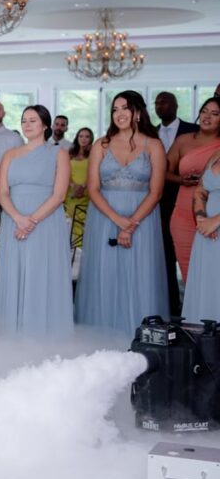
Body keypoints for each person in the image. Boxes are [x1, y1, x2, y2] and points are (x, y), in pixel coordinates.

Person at [75, 91, 168, 335]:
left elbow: (156, 192)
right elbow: (93, 189)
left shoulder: (154, 145)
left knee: (139, 276)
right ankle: (101, 335)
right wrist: (118, 221)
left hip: (143, 220)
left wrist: (131, 225)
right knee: (105, 275)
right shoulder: (101, 145)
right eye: (115, 109)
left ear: (137, 112)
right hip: (104, 218)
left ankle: (139, 335)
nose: (119, 114)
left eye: (125, 108)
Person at [0, 105, 73, 336]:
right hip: (13, 218)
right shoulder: (10, 155)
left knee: (41, 271)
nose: (27, 125)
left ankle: (42, 329)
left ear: (45, 125)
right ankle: (13, 329)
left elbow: (59, 195)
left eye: (32, 120)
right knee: (15, 272)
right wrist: (19, 218)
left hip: (45, 221)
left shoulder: (58, 153)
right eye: (24, 120)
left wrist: (31, 221)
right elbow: (2, 193)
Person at [165, 97, 220, 282]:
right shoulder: (183, 140)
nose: (207, 117)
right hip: (182, 215)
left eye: (215, 114)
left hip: (214, 215)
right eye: (204, 111)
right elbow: (163, 171)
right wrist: (181, 179)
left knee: (212, 276)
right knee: (189, 274)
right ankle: (193, 311)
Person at [155, 91, 199, 313]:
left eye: (163, 102)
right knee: (163, 255)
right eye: (156, 103)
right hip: (158, 201)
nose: (159, 106)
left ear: (175, 105)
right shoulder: (150, 133)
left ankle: (195, 302)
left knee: (192, 254)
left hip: (190, 198)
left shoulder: (193, 130)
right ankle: (171, 304)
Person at [181, 147, 220, 322]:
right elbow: (200, 190)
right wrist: (201, 218)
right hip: (206, 233)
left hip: (214, 226)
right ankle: (208, 341)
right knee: (209, 285)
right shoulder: (217, 153)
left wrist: (216, 221)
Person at [65, 127, 94, 247]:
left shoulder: (94, 153)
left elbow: (94, 171)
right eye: (81, 136)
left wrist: (83, 187)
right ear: (77, 137)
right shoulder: (69, 153)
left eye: (87, 136)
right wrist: (73, 185)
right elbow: (64, 172)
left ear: (91, 139)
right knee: (71, 223)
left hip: (87, 193)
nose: (83, 139)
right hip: (71, 193)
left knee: (85, 225)